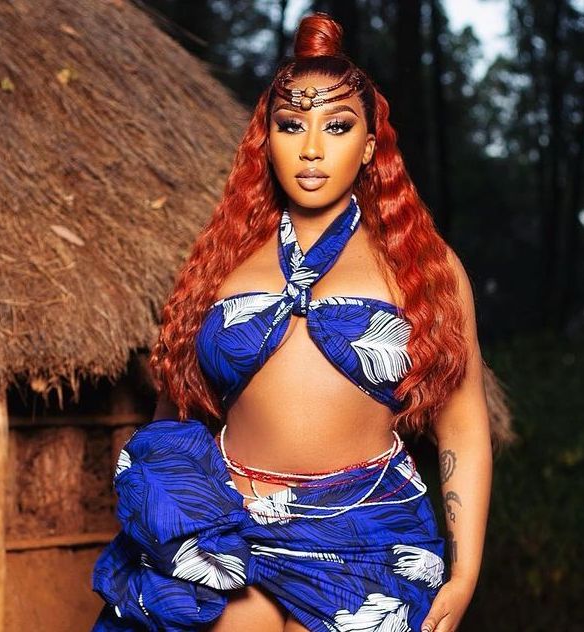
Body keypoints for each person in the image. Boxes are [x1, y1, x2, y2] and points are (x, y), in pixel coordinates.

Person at [91, 12, 492, 632]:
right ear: (266, 138)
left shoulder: (423, 267)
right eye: (290, 125)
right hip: (231, 529)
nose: (311, 148)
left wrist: (464, 574)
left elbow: (462, 423)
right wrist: (169, 515)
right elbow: (175, 409)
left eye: (337, 126)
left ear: (370, 145)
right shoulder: (220, 262)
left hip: (368, 536)